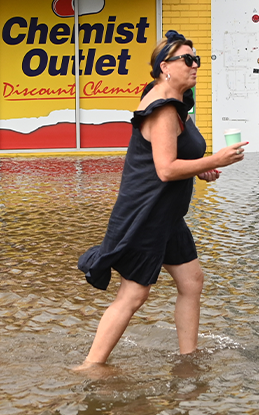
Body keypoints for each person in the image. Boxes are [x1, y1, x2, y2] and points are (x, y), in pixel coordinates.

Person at [75, 31, 248, 368]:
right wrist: (215, 160)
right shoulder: (163, 109)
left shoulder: (178, 103)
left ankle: (187, 359)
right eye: (188, 59)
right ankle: (90, 367)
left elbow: (176, 157)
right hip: (146, 214)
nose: (195, 64)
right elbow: (166, 169)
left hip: (167, 214)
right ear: (164, 66)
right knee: (134, 294)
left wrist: (200, 171)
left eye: (196, 58)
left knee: (191, 280)